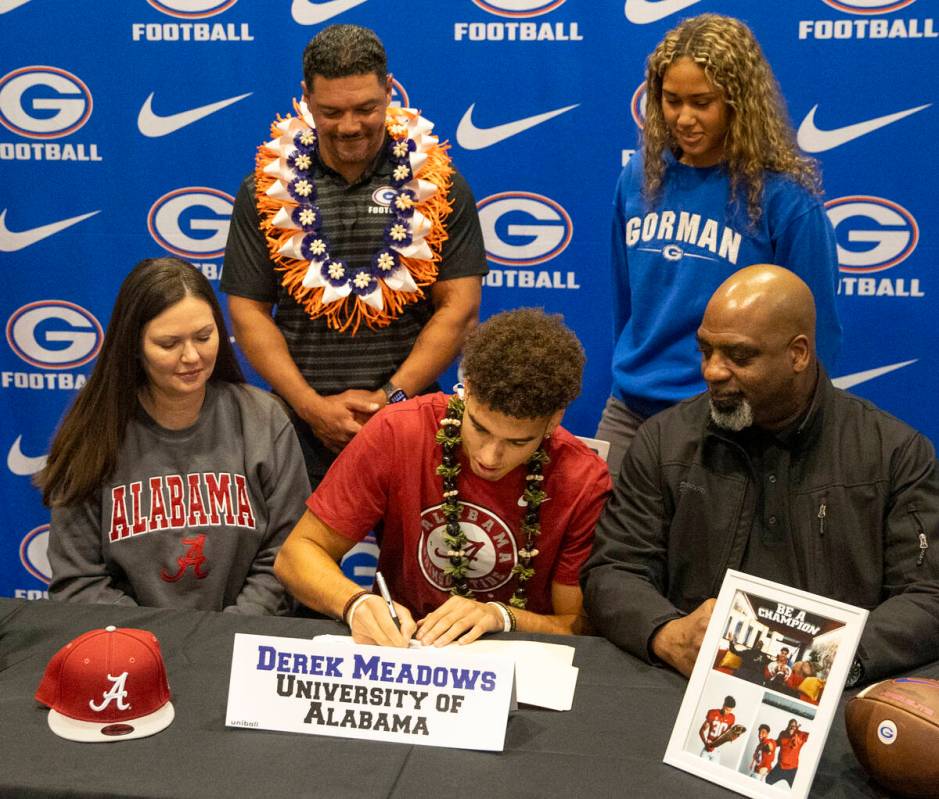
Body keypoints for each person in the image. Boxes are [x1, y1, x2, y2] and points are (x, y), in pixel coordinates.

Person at [582, 264, 939, 686]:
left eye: (739, 355)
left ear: (798, 354)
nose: (712, 370)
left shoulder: (894, 452)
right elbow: (614, 569)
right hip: (681, 686)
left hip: (835, 696)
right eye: (705, 350)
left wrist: (835, 660)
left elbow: (927, 595)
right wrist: (666, 632)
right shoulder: (664, 440)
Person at [221, 24, 487, 488]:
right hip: (295, 428)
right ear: (305, 97)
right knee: (289, 561)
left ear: (389, 89)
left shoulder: (438, 185)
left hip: (410, 419)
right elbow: (247, 312)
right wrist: (310, 406)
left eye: (366, 108)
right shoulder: (265, 189)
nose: (349, 126)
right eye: (331, 111)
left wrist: (389, 400)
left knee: (417, 563)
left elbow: (459, 310)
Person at [275, 308, 611, 647]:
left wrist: (502, 617)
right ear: (466, 391)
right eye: (479, 427)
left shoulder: (582, 478)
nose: (488, 457)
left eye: (517, 442)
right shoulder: (399, 430)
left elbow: (578, 625)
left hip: (518, 662)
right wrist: (355, 603)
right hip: (404, 650)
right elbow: (296, 555)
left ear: (554, 420)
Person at [596, 13, 841, 475]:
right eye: (670, 101)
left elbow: (818, 332)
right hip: (630, 411)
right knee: (613, 545)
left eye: (701, 102)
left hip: (731, 414)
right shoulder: (636, 180)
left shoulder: (784, 200)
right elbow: (626, 305)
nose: (683, 118)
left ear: (738, 103)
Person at [38, 258, 310, 614]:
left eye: (204, 336)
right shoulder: (91, 433)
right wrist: (156, 644)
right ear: (134, 346)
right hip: (130, 653)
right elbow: (80, 582)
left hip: (240, 645)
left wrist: (223, 637)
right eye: (169, 344)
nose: (192, 356)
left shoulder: (265, 420)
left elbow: (286, 556)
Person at [766, 719, 809, 788]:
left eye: (794, 726)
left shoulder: (800, 735)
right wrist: (770, 743)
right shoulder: (783, 734)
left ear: (796, 727)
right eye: (790, 725)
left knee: (796, 788)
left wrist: (799, 734)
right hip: (780, 767)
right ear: (788, 726)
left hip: (792, 770)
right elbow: (777, 743)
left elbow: (812, 735)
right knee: (768, 780)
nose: (792, 727)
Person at [699, 695, 735, 763]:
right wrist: (705, 743)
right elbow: (701, 731)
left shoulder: (732, 718)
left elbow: (728, 734)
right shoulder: (713, 713)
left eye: (730, 710)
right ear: (723, 705)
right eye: (727, 709)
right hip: (708, 746)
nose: (728, 712)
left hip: (717, 750)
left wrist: (733, 736)